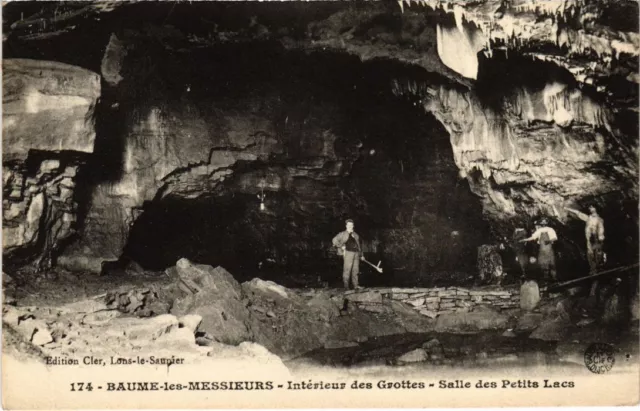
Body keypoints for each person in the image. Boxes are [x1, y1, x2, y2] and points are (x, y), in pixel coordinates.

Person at [566, 205, 605, 273]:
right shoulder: (588, 218)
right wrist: (567, 208)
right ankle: (593, 269)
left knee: (597, 252)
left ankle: (599, 267)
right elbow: (579, 213)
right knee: (590, 253)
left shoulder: (599, 219)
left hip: (596, 237)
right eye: (589, 208)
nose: (590, 209)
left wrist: (600, 235)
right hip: (589, 238)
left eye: (592, 207)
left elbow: (601, 228)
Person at [332, 219, 364, 290]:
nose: (350, 226)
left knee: (355, 270)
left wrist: (361, 255)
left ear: (353, 226)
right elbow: (334, 240)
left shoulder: (356, 235)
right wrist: (341, 246)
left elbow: (359, 245)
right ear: (346, 226)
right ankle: (346, 287)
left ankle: (356, 286)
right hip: (348, 253)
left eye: (351, 225)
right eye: (348, 225)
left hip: (356, 254)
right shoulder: (342, 234)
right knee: (347, 270)